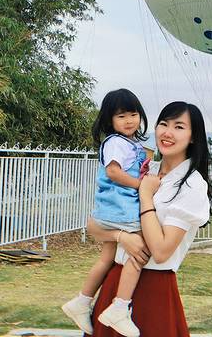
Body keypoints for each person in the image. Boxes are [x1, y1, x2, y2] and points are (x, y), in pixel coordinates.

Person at [85, 101, 212, 337]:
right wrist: (121, 237)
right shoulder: (142, 171)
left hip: (154, 290)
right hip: (115, 285)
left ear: (193, 137)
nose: (168, 132)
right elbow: (93, 226)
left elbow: (161, 251)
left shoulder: (192, 185)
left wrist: (145, 195)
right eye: (163, 124)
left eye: (179, 127)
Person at [62, 89, 149, 337]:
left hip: (110, 210)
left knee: (106, 258)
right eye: (121, 116)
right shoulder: (115, 143)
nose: (129, 120)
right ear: (110, 120)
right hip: (122, 210)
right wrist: (141, 185)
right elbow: (113, 172)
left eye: (133, 114)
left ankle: (81, 301)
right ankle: (120, 307)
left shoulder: (128, 143)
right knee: (138, 254)